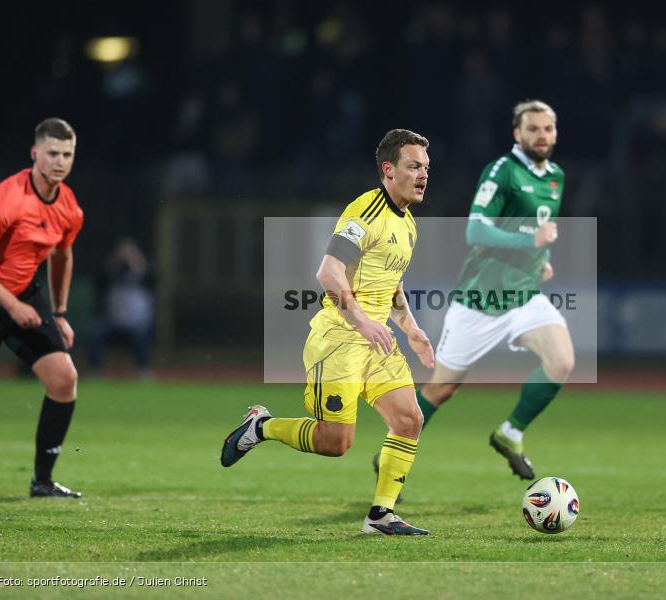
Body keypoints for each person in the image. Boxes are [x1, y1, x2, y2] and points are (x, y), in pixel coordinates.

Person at [222, 129, 435, 535]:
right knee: (335, 442)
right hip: (339, 339)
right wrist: (363, 321)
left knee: (409, 420)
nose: (423, 174)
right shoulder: (365, 212)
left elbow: (391, 285)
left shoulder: (408, 224)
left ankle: (381, 515)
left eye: (426, 167)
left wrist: (411, 328)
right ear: (389, 170)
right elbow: (328, 272)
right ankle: (260, 427)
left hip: (377, 343)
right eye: (413, 166)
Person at [384, 100, 573, 483]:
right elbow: (476, 229)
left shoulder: (555, 176)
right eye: (533, 129)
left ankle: (510, 433)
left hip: (525, 296)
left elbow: (538, 226)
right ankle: (389, 459)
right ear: (517, 134)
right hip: (480, 301)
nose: (541, 136)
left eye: (547, 129)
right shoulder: (503, 171)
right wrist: (530, 241)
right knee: (440, 390)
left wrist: (543, 257)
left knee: (562, 361)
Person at [0, 118, 84, 498]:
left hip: (23, 295)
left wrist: (60, 313)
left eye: (67, 154)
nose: (60, 161)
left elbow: (63, 255)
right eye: (52, 153)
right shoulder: (7, 199)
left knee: (64, 379)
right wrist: (10, 305)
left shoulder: (68, 205)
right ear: (34, 153)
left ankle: (42, 482)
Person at [88, 238, 155, 379]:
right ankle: (95, 371)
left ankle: (143, 370)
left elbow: (152, 277)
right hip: (114, 321)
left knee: (141, 334)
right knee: (96, 333)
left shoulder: (142, 274)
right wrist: (115, 260)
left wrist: (136, 259)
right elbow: (100, 278)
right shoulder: (112, 274)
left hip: (136, 322)